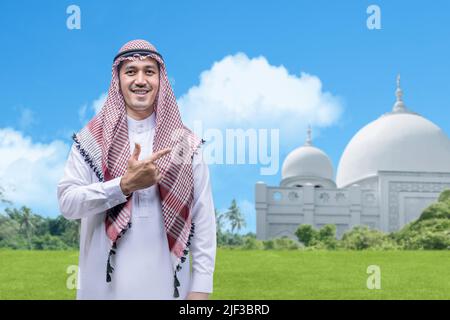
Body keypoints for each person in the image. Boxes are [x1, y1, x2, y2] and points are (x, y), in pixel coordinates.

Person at [57, 39, 216, 300]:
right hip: (103, 289)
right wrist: (123, 186)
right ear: (117, 79)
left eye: (149, 71)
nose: (140, 80)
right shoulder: (90, 142)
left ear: (160, 80)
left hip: (170, 289)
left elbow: (204, 222)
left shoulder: (186, 145)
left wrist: (200, 290)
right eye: (131, 71)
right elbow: (67, 203)